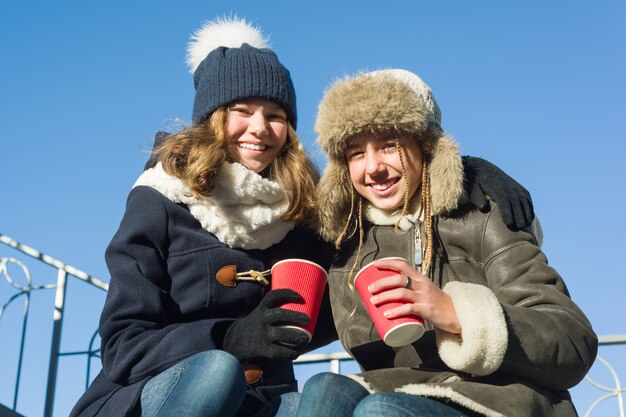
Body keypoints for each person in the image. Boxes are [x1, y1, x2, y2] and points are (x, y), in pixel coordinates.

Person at [70, 17, 536, 417]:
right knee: (216, 372)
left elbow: (377, 214)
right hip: (151, 395)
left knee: (322, 399)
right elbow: (121, 345)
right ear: (213, 118)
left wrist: (462, 170)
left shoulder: (301, 209)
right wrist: (225, 337)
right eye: (241, 111)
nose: (259, 128)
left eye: (274, 115)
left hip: (262, 402)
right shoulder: (160, 198)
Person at [293, 69, 598, 417]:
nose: (373, 167)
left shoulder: (480, 217)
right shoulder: (349, 245)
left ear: (425, 147)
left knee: (380, 411)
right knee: (321, 389)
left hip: (498, 401)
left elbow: (574, 343)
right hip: (397, 393)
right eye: (356, 153)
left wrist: (457, 315)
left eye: (389, 146)